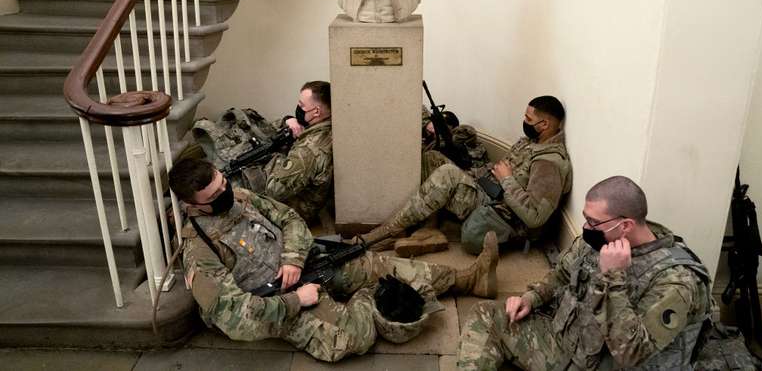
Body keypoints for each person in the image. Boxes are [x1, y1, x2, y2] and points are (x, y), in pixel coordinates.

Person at [169, 159, 501, 363]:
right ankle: (367, 297)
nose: (227, 192)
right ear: (191, 205)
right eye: (214, 196)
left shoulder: (241, 196)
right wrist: (295, 299)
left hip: (307, 264)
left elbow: (291, 219)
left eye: (223, 182)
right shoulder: (199, 250)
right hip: (277, 304)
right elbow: (234, 318)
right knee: (353, 339)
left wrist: (294, 259)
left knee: (377, 265)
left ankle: (469, 279)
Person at [456, 176, 712, 370]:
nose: (585, 227)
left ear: (625, 225)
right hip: (564, 347)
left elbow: (632, 354)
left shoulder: (675, 281)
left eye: (593, 221)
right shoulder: (597, 240)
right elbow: (561, 276)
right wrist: (530, 299)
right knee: (486, 315)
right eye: (586, 218)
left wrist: (614, 278)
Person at [361, 96, 572, 257]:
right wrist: (476, 173)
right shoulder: (530, 142)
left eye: (528, 119)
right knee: (432, 158)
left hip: (501, 211)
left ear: (544, 124)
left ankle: (387, 232)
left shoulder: (549, 163)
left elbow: (535, 217)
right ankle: (428, 228)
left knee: (447, 174)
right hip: (489, 189)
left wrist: (506, 179)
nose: (524, 122)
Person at [193, 81, 333, 223]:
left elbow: (274, 189)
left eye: (302, 105)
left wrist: (270, 157)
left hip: (294, 210)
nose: (299, 108)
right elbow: (274, 130)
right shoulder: (320, 127)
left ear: (316, 111)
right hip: (292, 194)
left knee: (230, 192)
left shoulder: (308, 150)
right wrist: (289, 120)